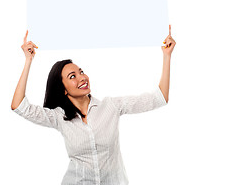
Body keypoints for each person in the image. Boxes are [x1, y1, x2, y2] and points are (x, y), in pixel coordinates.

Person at [11, 25, 176, 185]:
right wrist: (28, 60)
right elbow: (19, 106)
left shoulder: (111, 106)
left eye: (81, 72)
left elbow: (159, 97)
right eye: (72, 76)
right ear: (63, 90)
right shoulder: (58, 117)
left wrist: (167, 56)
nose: (82, 77)